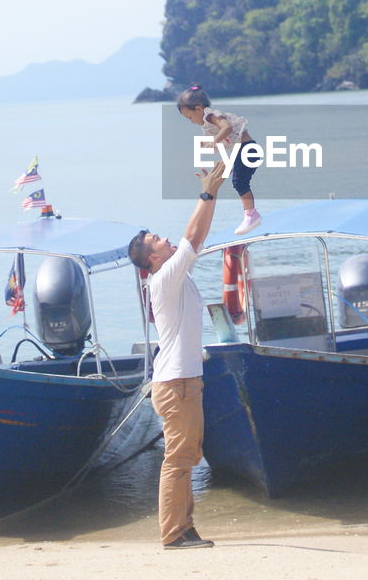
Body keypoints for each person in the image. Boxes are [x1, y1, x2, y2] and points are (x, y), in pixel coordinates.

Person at [128, 162, 226, 550]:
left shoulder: (175, 275)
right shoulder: (164, 278)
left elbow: (194, 238)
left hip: (183, 380)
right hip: (176, 382)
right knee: (179, 457)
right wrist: (207, 192)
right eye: (157, 239)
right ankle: (173, 532)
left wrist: (212, 191)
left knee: (188, 454)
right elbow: (193, 235)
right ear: (152, 258)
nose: (165, 239)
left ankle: (184, 528)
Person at [177, 85, 261, 236]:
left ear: (198, 109)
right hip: (245, 149)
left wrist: (214, 141)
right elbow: (225, 139)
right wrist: (208, 144)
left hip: (247, 148)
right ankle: (250, 214)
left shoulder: (210, 116)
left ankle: (251, 215)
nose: (191, 121)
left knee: (239, 182)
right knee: (237, 180)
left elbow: (227, 128)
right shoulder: (208, 123)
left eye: (189, 117)